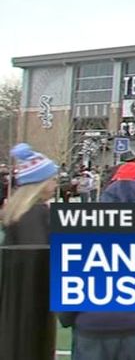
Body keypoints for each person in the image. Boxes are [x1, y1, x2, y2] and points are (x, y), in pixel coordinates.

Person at [0, 144, 60, 360]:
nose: (55, 184)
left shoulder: (18, 213)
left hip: (16, 298)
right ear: (40, 183)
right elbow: (38, 256)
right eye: (52, 179)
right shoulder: (35, 215)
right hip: (34, 303)